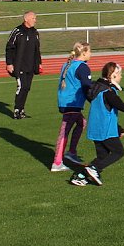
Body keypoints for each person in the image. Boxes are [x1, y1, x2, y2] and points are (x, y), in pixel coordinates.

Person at [71, 62, 124, 187]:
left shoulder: (97, 89)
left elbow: (104, 112)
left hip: (95, 129)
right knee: (118, 152)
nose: (121, 77)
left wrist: (118, 128)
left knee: (102, 156)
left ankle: (80, 176)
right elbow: (121, 106)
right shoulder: (108, 92)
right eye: (120, 74)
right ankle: (93, 169)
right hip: (105, 130)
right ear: (113, 75)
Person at [51, 42, 92, 172]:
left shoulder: (68, 64)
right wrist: (95, 100)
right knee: (64, 131)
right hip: (72, 103)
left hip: (65, 101)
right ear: (84, 53)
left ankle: (72, 152)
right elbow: (87, 86)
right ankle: (57, 163)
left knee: (81, 122)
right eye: (89, 51)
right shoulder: (82, 67)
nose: (91, 54)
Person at [5, 11, 42, 120]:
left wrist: (39, 63)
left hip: (31, 66)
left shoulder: (35, 32)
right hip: (19, 65)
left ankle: (21, 110)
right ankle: (17, 110)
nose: (35, 20)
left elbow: (37, 50)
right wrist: (9, 63)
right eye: (33, 18)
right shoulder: (17, 31)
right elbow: (9, 48)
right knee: (21, 87)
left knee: (27, 88)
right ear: (26, 19)